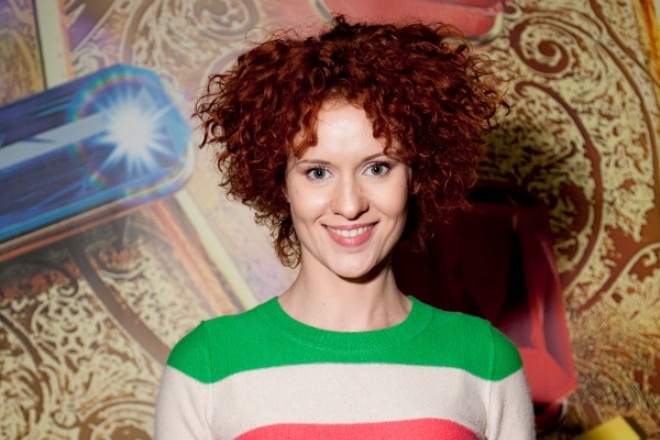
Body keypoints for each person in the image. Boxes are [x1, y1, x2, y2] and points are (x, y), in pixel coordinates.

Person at [155, 15, 535, 439]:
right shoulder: (206, 365)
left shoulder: (484, 358)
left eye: (377, 168)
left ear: (417, 174)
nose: (350, 205)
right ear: (281, 183)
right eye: (318, 173)